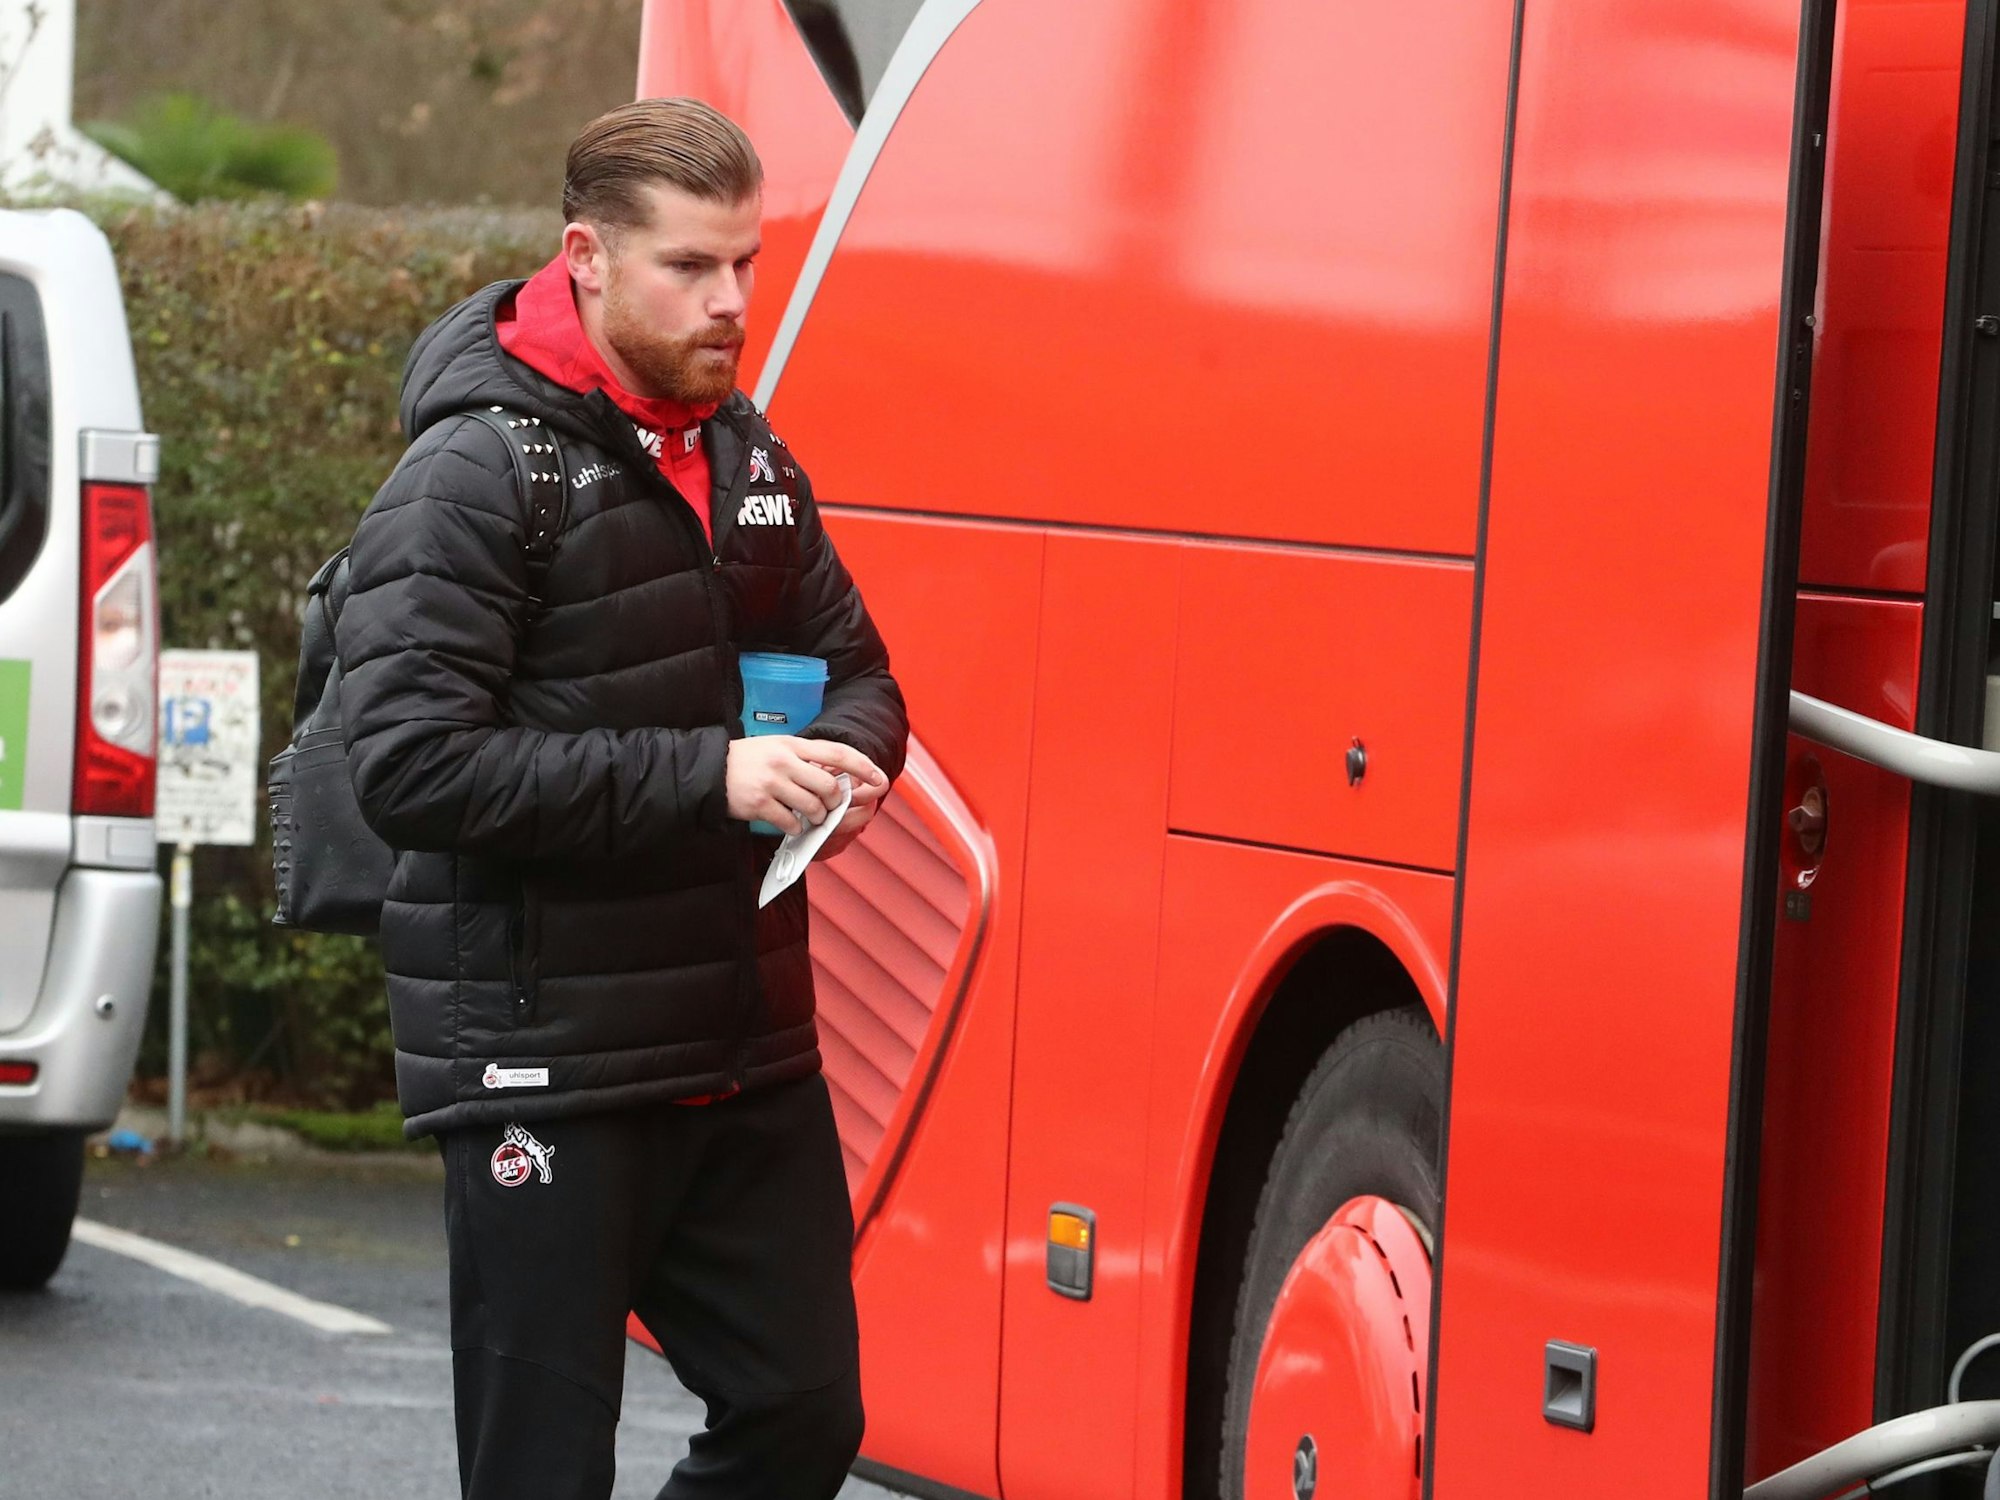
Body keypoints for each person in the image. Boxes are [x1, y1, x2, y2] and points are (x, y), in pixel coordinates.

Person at [335, 97, 907, 1500]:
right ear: (586, 257)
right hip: (547, 1061)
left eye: (748, 266)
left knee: (804, 1418)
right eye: (691, 269)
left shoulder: (748, 457)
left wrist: (851, 756)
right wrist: (710, 776)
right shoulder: (472, 474)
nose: (731, 303)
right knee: (541, 1473)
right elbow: (406, 763)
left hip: (744, 1050)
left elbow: (864, 678)